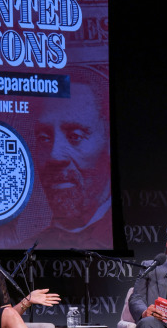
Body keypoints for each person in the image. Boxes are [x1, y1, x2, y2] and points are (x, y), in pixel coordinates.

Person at [33, 78, 112, 248]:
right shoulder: (28, 248)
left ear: (108, 141)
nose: (55, 156)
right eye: (44, 138)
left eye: (75, 136)